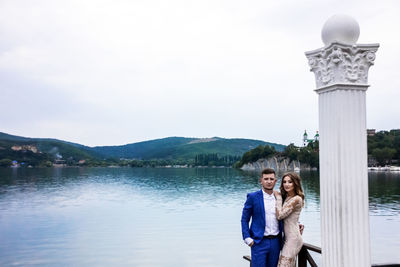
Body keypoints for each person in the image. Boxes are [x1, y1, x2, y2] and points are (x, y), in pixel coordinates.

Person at [241, 168, 283, 267]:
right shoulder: (252, 197)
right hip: (259, 242)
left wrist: (298, 223)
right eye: (266, 179)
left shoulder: (280, 197)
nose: (269, 182)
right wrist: (247, 238)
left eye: (271, 179)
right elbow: (244, 219)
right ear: (261, 180)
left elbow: (286, 214)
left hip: (276, 242)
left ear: (275, 181)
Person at [274, 172, 305, 267]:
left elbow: (280, 216)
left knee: (283, 265)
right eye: (284, 182)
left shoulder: (297, 199)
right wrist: (298, 223)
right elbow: (291, 217)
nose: (286, 184)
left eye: (290, 182)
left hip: (293, 239)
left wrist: (278, 198)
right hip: (287, 238)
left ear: (295, 183)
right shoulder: (287, 197)